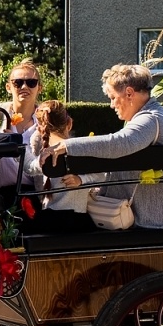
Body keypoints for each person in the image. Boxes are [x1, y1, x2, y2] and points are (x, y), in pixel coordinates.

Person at [43, 63, 163, 230]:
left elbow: (120, 143)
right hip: (151, 217)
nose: (111, 105)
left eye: (112, 97)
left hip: (154, 220)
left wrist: (67, 145)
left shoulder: (150, 119)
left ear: (129, 93)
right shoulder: (152, 117)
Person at [19, 100, 98, 234]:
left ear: (40, 129)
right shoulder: (81, 148)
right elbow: (101, 174)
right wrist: (81, 180)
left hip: (50, 220)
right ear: (70, 123)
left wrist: (16, 139)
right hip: (78, 219)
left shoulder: (45, 154)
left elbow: (28, 166)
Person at [0, 60, 43, 196]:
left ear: (39, 88)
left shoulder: (45, 119)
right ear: (8, 87)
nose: (24, 87)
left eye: (31, 83)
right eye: (18, 82)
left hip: (33, 193)